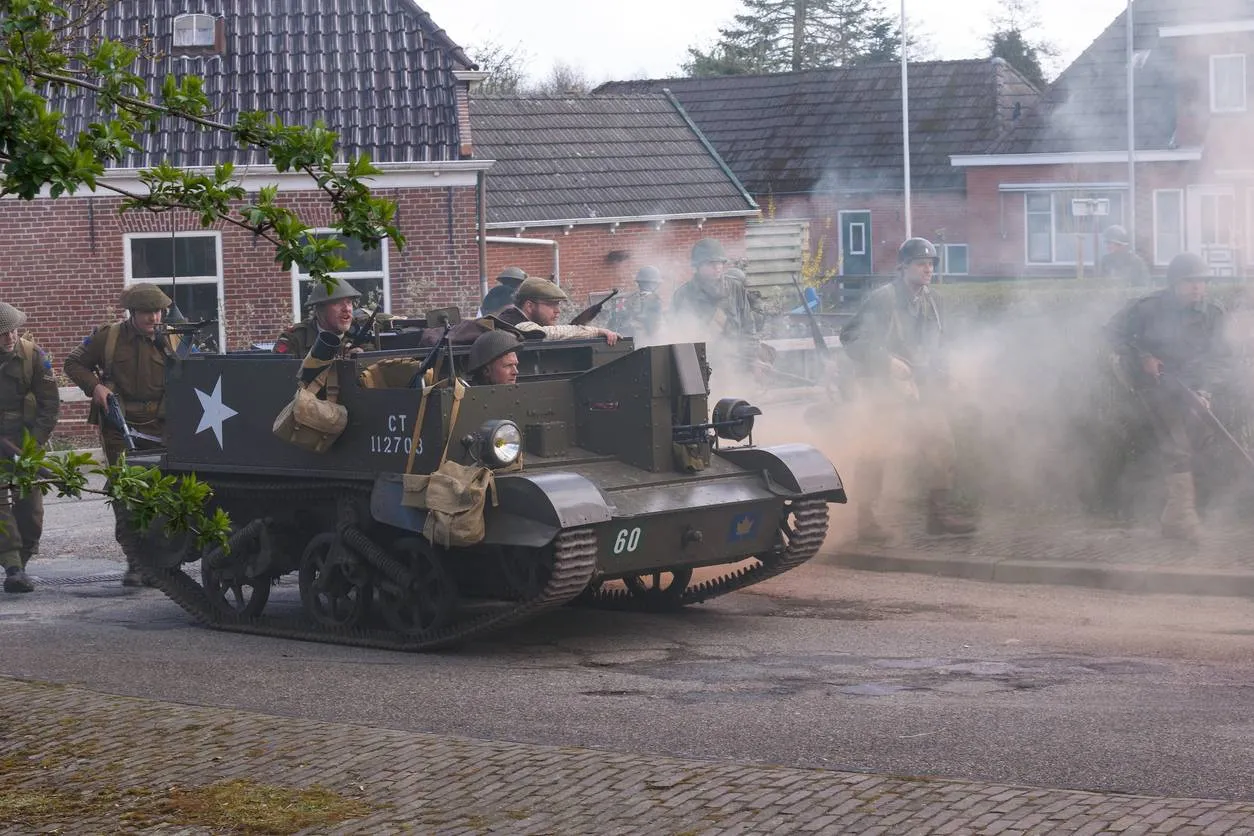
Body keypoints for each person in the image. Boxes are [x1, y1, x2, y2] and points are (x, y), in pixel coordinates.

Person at [839, 237, 976, 540]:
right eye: (921, 264)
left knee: (942, 444)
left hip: (922, 389)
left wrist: (949, 374)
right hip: (884, 389)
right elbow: (850, 337)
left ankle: (937, 516)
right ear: (903, 267)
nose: (928, 269)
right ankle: (865, 521)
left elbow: (942, 344)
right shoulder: (883, 299)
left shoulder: (934, 301)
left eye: (931, 264)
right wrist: (885, 361)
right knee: (876, 451)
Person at [1106, 251, 1229, 542]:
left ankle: (1174, 519)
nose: (1197, 287)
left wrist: (1205, 391)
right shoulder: (1146, 309)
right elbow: (1112, 333)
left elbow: (1219, 358)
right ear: (1174, 283)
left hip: (1193, 388)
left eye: (1202, 281)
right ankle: (1184, 520)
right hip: (1156, 387)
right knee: (1177, 447)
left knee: (1200, 446)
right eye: (1190, 281)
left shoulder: (1214, 314)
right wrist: (1143, 357)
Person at [64, 284, 179, 587]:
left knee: (161, 490)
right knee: (126, 490)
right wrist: (96, 386)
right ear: (132, 313)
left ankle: (158, 559)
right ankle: (136, 560)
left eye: (158, 311)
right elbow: (73, 363)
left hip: (160, 423)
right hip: (120, 424)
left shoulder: (174, 338)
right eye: (146, 313)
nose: (154, 318)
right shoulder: (109, 337)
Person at [0, 302, 60, 593]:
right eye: (2, 334)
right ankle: (12, 565)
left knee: (31, 508)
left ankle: (21, 564)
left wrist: (34, 444)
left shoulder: (33, 355)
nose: (9, 338)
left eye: (12, 331)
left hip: (25, 439)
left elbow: (50, 404)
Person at [670, 238, 757, 336]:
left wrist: (750, 349)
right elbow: (675, 332)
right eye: (711, 263)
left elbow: (748, 326)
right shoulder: (683, 294)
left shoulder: (735, 288)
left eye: (720, 262)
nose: (717, 267)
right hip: (701, 349)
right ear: (697, 266)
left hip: (735, 349)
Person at [495, 278, 620, 344]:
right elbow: (551, 332)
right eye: (551, 305)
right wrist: (598, 331)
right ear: (529, 306)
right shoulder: (516, 324)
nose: (557, 311)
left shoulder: (511, 318)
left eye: (558, 305)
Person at [273, 277, 361, 357]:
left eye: (349, 302)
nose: (346, 309)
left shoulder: (361, 336)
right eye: (337, 303)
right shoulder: (295, 339)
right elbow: (280, 372)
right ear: (320, 309)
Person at [608, 265, 665, 339]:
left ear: (638, 282)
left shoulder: (622, 299)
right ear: (655, 283)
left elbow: (612, 323)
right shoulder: (654, 300)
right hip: (641, 340)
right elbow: (654, 327)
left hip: (624, 339)